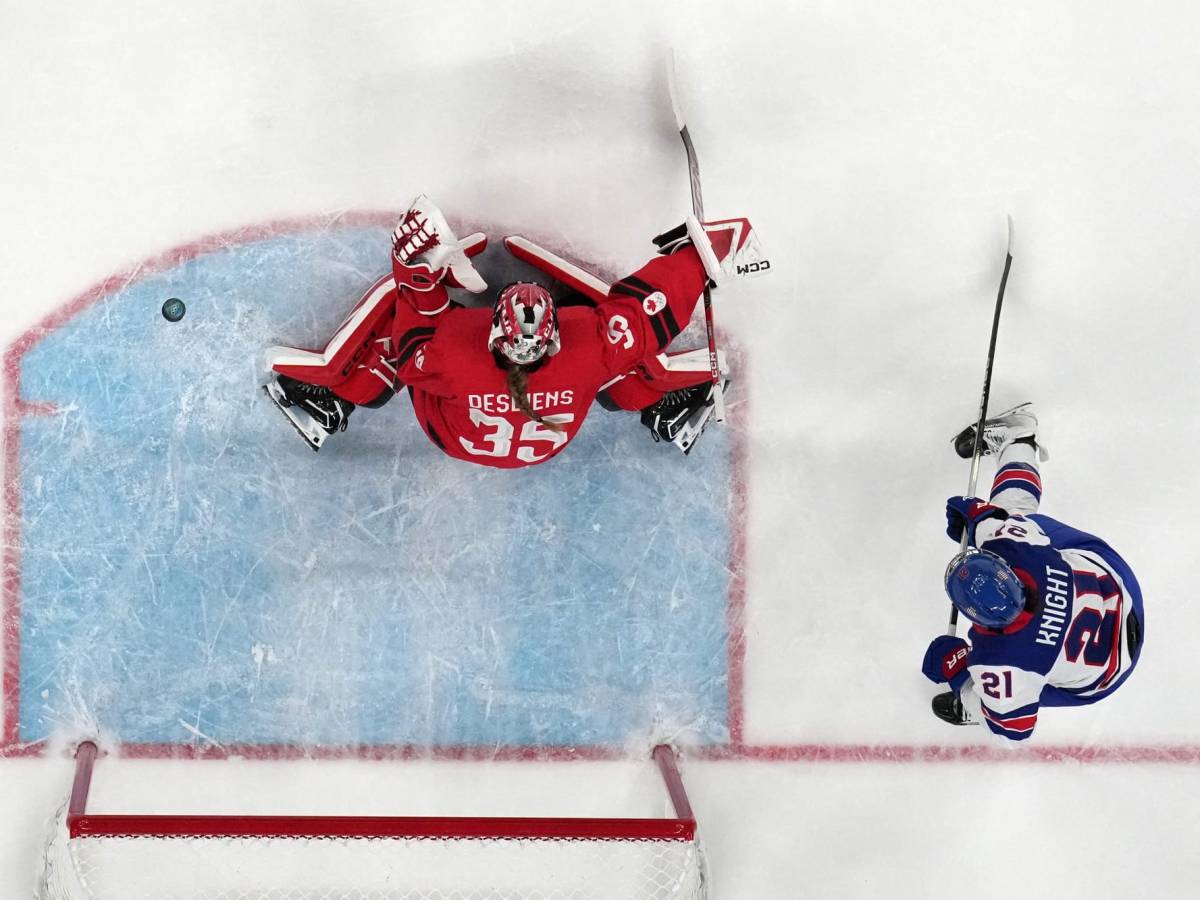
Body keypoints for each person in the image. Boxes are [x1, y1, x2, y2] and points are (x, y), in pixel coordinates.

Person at [263, 195, 767, 465]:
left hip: (454, 435)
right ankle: (669, 401)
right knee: (620, 372)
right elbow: (649, 315)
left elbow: (414, 317)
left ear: (492, 334)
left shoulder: (450, 359)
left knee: (392, 351)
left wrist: (416, 269)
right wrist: (705, 256)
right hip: (545, 443)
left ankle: (330, 397)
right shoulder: (589, 348)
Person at [921, 403, 1144, 742]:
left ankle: (981, 704)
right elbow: (987, 520)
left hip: (1109, 668)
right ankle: (1018, 437)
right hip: (1117, 590)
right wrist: (975, 517)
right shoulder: (1017, 551)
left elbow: (1014, 731)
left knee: (1012, 701)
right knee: (1015, 516)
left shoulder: (1000, 660)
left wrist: (962, 680)